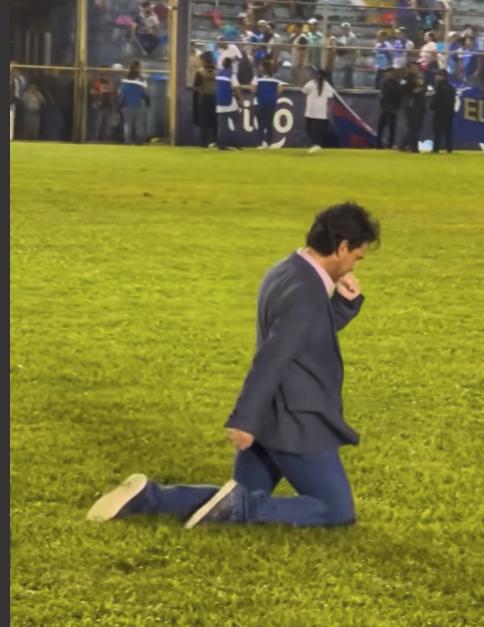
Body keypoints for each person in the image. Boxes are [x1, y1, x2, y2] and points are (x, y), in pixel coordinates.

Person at [86, 204, 381, 530]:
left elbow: (303, 337)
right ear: (342, 247)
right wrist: (244, 419)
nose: (355, 264)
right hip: (296, 422)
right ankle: (239, 508)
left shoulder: (286, 269)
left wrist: (342, 306)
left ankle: (149, 498)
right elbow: (274, 357)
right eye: (357, 256)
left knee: (240, 494)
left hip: (271, 418)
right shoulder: (308, 293)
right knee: (335, 510)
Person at [302, 69, 336, 154]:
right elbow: (330, 98)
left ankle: (315, 144)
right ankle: (317, 144)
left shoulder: (311, 83)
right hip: (322, 112)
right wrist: (329, 111)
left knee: (309, 129)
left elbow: (304, 91)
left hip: (311, 111)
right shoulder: (327, 85)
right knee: (319, 130)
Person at [252, 59, 284, 149]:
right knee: (269, 124)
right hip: (271, 104)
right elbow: (281, 89)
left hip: (260, 103)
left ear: (263, 67)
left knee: (261, 124)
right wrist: (272, 94)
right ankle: (269, 143)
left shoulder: (257, 78)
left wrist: (260, 92)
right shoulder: (275, 78)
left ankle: (260, 143)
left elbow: (253, 89)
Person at [119, 61, 150, 145]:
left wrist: (120, 104)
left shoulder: (125, 78)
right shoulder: (142, 78)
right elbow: (145, 92)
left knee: (127, 124)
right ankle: (139, 141)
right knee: (139, 124)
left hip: (127, 104)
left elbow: (121, 92)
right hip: (139, 104)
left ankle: (127, 141)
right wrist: (148, 102)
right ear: (138, 67)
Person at [399, 61, 427, 153]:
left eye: (416, 66)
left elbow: (424, 88)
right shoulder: (405, 78)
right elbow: (403, 89)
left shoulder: (419, 78)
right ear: (408, 68)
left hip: (419, 104)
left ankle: (403, 145)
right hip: (410, 104)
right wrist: (415, 88)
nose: (416, 68)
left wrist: (418, 89)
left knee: (417, 127)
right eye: (413, 66)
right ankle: (414, 148)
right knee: (413, 126)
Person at [215, 56, 241, 150]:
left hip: (219, 104)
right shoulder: (231, 75)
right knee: (237, 123)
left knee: (223, 127)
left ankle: (222, 145)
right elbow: (236, 88)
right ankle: (236, 143)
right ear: (231, 65)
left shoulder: (218, 74)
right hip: (231, 105)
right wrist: (240, 100)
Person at [193, 52, 217, 147]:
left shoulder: (200, 72)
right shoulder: (217, 71)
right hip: (214, 97)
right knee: (215, 121)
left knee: (204, 121)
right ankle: (215, 140)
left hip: (204, 97)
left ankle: (204, 142)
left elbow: (196, 85)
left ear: (203, 61)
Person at [429, 69, 456, 153]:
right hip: (448, 113)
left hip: (440, 112)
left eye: (438, 75)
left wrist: (433, 107)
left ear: (443, 76)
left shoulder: (440, 87)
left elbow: (438, 99)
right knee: (447, 132)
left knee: (438, 132)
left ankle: (435, 149)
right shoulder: (451, 87)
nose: (436, 76)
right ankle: (449, 149)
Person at [376, 67, 401, 149]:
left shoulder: (395, 84)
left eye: (389, 73)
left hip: (391, 108)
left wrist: (396, 107)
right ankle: (379, 144)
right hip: (385, 108)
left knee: (391, 128)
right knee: (381, 127)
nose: (387, 74)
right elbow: (382, 96)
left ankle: (389, 145)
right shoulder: (385, 83)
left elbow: (398, 97)